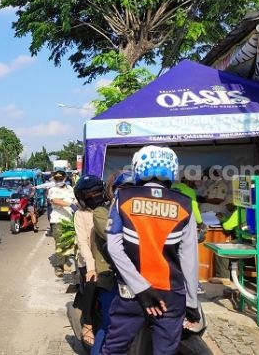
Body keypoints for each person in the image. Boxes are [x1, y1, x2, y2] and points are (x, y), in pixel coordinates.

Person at [101, 146, 200, 355]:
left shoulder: (123, 198)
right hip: (171, 295)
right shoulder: (185, 203)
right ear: (172, 170)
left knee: (114, 349)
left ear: (138, 168)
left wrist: (142, 288)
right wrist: (192, 302)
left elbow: (114, 247)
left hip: (131, 293)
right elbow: (189, 258)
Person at [90, 170, 134, 355]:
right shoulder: (102, 212)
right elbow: (113, 238)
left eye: (132, 188)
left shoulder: (138, 213)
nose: (126, 192)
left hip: (136, 278)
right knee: (111, 326)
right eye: (121, 188)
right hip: (111, 277)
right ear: (111, 189)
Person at [73, 175, 106, 347]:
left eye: (96, 193)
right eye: (89, 195)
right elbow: (83, 243)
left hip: (106, 258)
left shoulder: (108, 210)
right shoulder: (80, 215)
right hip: (88, 261)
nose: (93, 197)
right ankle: (87, 322)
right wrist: (92, 267)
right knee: (92, 283)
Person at [47, 170, 77, 277]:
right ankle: (59, 266)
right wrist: (70, 205)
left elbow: (76, 201)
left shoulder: (70, 189)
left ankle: (69, 265)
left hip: (70, 220)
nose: (59, 181)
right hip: (58, 220)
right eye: (56, 179)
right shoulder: (52, 190)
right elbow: (55, 201)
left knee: (70, 243)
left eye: (60, 179)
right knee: (60, 243)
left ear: (65, 178)